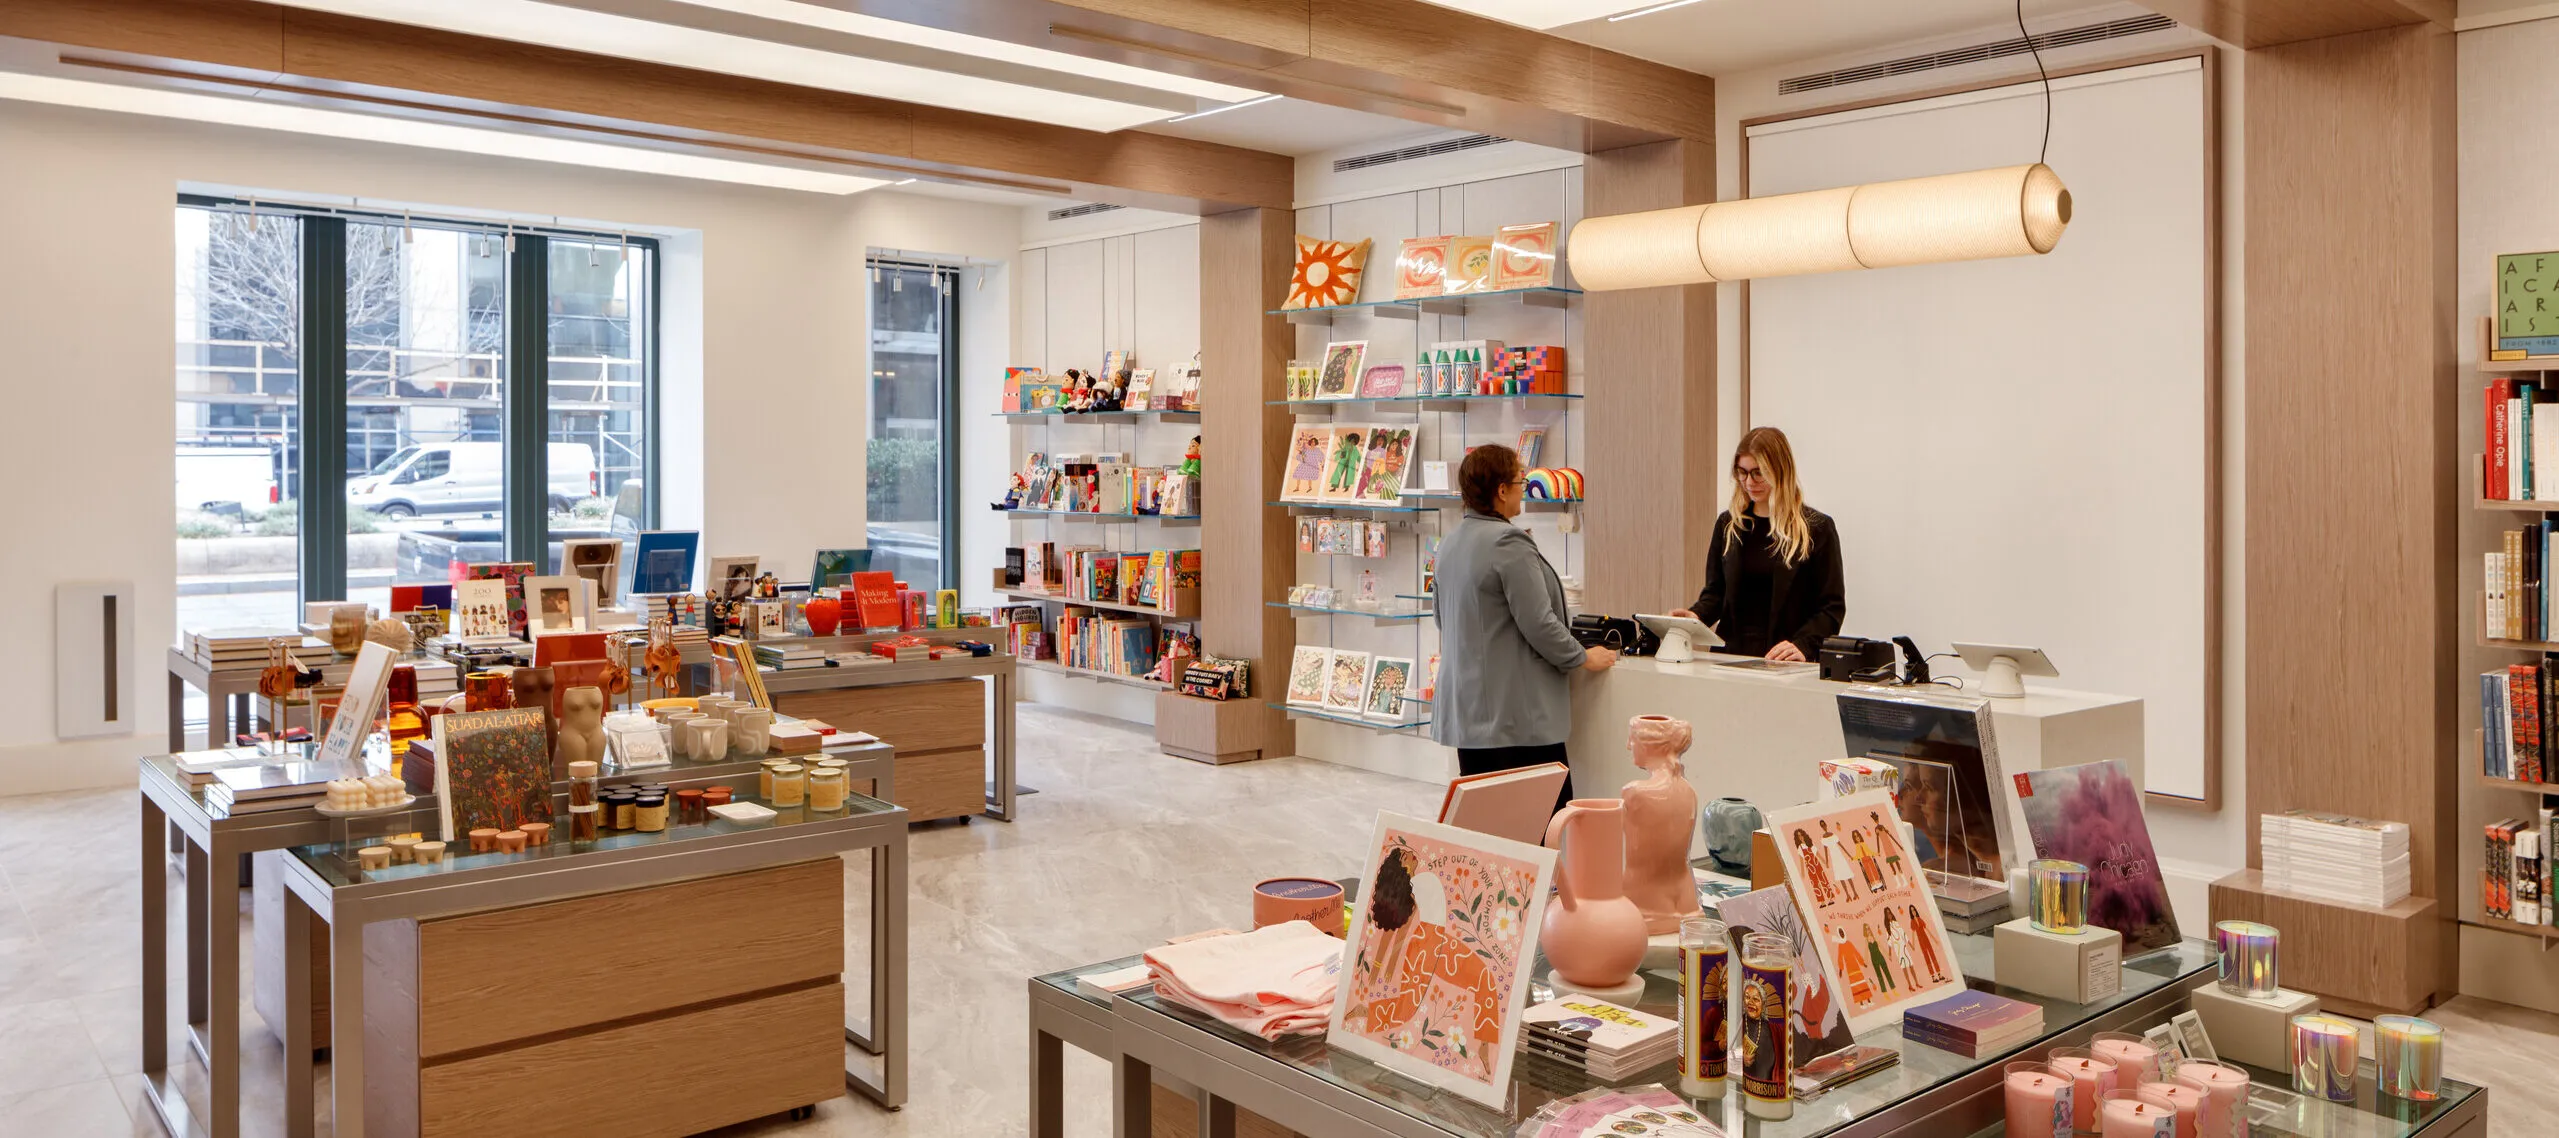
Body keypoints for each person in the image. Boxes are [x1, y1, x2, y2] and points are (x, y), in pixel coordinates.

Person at [1432, 444, 1615, 811]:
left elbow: (1442, 618)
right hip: (1514, 721)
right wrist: (1582, 657)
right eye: (1520, 481)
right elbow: (1540, 623)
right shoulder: (1508, 542)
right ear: (1501, 491)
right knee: (1548, 828)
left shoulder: (1450, 543)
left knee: (1491, 828)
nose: (1523, 488)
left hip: (1469, 718)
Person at [1670, 426, 1846, 662]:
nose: (1748, 482)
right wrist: (1695, 616)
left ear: (1780, 470)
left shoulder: (1817, 528)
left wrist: (1803, 645)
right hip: (1731, 657)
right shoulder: (1728, 524)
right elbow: (1716, 594)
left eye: (1758, 473)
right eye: (1742, 472)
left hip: (1785, 662)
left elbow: (1831, 608)